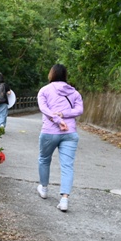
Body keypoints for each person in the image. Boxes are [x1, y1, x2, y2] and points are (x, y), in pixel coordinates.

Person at [36, 63, 83, 212]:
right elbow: (79, 110)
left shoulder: (44, 90)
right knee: (67, 166)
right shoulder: (74, 92)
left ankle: (43, 188)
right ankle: (64, 200)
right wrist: (65, 115)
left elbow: (44, 109)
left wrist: (57, 119)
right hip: (70, 133)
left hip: (50, 131)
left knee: (44, 159)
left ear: (52, 74)